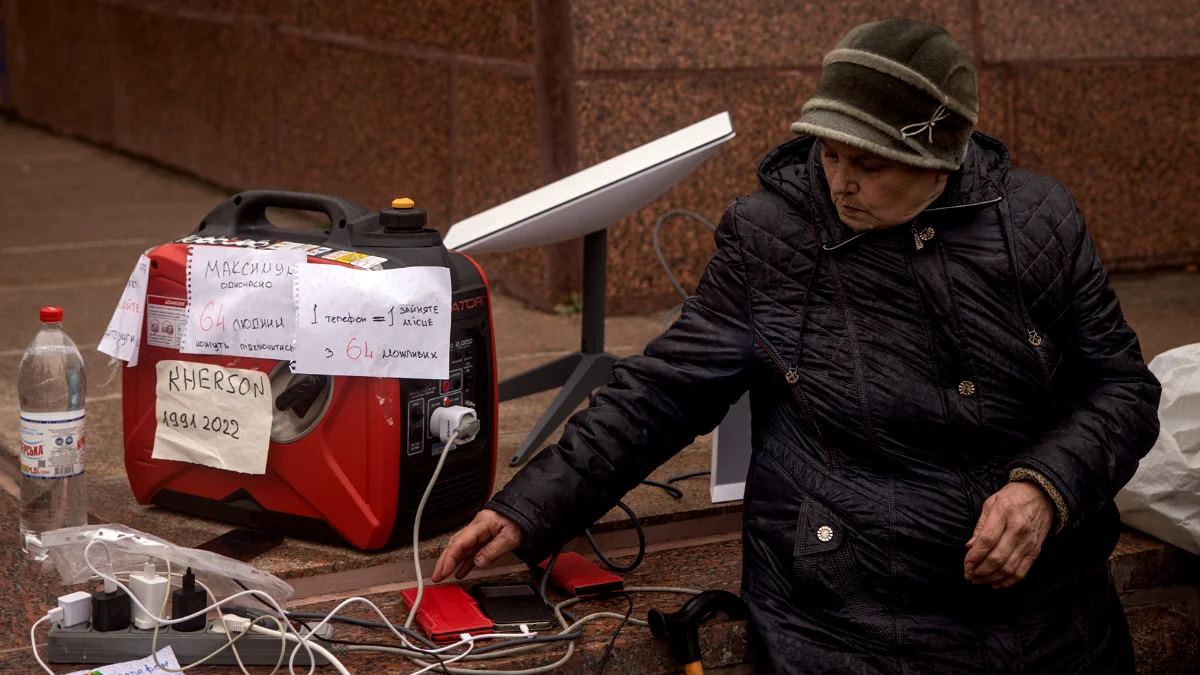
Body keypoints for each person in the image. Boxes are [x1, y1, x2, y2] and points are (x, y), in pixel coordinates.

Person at [433, 18, 1161, 674]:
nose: (841, 182)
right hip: (854, 614)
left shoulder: (1038, 220)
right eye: (830, 152)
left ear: (943, 155)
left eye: (871, 164)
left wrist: (1045, 488)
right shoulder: (771, 237)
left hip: (1051, 611)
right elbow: (664, 390)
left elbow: (1123, 389)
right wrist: (530, 509)